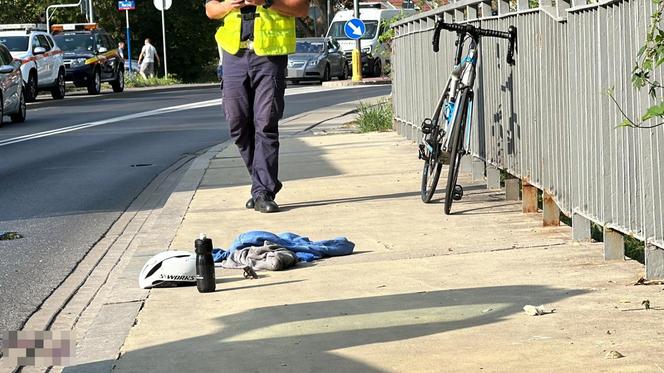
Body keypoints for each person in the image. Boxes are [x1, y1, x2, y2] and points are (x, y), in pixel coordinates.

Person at [205, 0, 309, 213]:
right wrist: (229, 5)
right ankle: (262, 182)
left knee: (265, 122)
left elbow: (301, 8)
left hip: (270, 55)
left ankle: (263, 191)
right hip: (233, 55)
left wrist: (267, 2)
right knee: (236, 122)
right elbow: (210, 9)